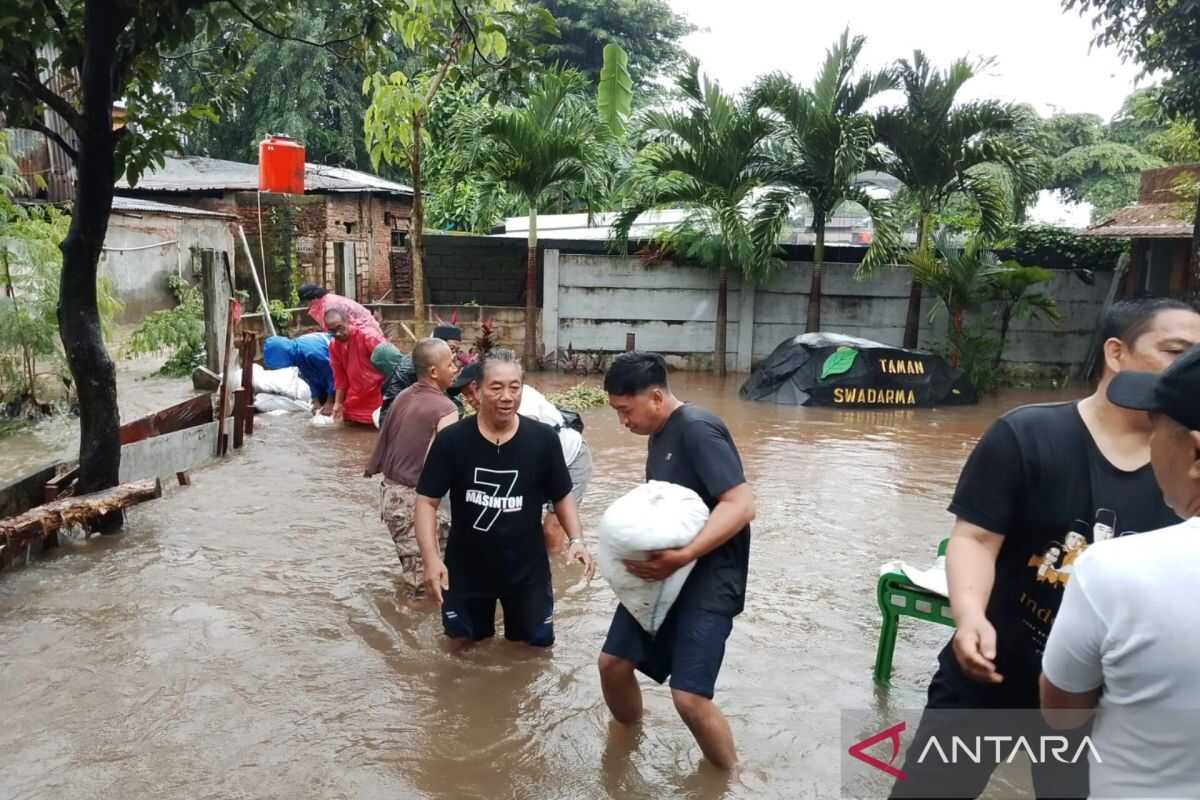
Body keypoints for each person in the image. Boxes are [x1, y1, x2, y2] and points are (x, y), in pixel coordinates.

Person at [891, 297, 1200, 799]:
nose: (1188, 369)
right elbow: (974, 537)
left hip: (1099, 702)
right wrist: (969, 617)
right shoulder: (1027, 434)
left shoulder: (1187, 471)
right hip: (991, 671)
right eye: (1176, 351)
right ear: (1116, 354)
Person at [1040, 345, 1200, 799]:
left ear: (1194, 454)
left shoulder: (1114, 572)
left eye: (1156, 429)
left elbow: (1063, 714)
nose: (1148, 445)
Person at [598, 351, 756, 771]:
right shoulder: (659, 432)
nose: (623, 422)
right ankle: (626, 743)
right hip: (663, 574)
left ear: (654, 397)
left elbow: (740, 505)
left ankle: (728, 779)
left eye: (625, 410)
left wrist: (684, 555)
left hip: (708, 577)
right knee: (613, 665)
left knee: (689, 697)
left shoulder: (698, 429)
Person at [413, 349, 595, 649]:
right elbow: (426, 502)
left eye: (515, 387)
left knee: (533, 655)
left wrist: (577, 539)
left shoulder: (543, 440)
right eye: (496, 387)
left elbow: (561, 494)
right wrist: (431, 560)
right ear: (478, 390)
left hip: (527, 573)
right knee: (459, 651)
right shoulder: (452, 441)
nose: (507, 396)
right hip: (466, 569)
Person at [450, 361, 594, 552]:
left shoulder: (519, 407)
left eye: (471, 392)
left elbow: (517, 455)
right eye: (465, 395)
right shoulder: (482, 418)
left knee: (552, 528)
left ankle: (555, 572)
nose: (469, 399)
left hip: (571, 459)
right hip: (538, 466)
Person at [364, 338, 460, 595]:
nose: (455, 369)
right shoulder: (446, 408)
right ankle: (407, 632)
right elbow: (443, 463)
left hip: (391, 496)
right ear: (433, 371)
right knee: (424, 586)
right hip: (414, 501)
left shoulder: (402, 396)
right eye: (450, 364)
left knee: (424, 572)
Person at [379, 325, 467, 420]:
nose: (454, 355)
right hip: (395, 416)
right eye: (452, 348)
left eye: (457, 351)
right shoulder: (418, 363)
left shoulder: (433, 358)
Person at [326, 309, 386, 426]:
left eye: (340, 328)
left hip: (379, 394)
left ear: (348, 322)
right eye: (332, 331)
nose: (337, 334)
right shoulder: (334, 346)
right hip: (356, 398)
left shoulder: (369, 337)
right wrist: (337, 403)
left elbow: (392, 367)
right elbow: (339, 377)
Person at [262, 332, 336, 416]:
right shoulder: (297, 355)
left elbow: (333, 374)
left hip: (342, 368)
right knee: (321, 407)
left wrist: (330, 401)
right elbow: (311, 378)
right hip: (329, 373)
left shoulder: (311, 353)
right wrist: (315, 400)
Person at [298, 283, 384, 339]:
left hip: (366, 334)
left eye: (306, 302)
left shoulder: (330, 306)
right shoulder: (324, 302)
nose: (307, 306)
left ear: (312, 299)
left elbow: (342, 329)